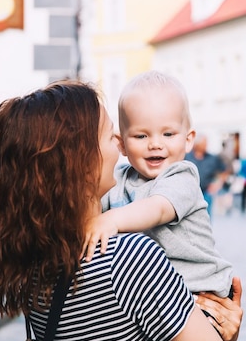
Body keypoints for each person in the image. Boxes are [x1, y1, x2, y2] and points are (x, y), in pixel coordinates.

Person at [0, 80, 243, 341]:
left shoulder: (38, 265)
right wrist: (219, 338)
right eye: (111, 138)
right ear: (82, 160)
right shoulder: (132, 261)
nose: (120, 152)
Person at [85, 70, 233, 300]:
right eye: (141, 136)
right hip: (159, 297)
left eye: (168, 133)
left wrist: (111, 220)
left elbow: (158, 208)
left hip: (201, 292)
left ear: (188, 139)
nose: (155, 144)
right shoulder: (119, 179)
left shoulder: (182, 177)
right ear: (121, 144)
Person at [185, 133, 228, 218]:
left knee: (206, 217)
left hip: (206, 193)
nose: (206, 145)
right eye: (204, 143)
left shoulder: (212, 158)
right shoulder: (187, 156)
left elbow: (224, 171)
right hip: (189, 193)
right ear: (197, 144)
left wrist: (217, 184)